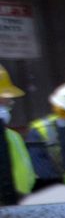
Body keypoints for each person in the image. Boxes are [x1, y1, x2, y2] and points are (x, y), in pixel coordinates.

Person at [0, 65, 36, 203]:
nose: (10, 102)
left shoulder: (12, 136)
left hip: (20, 210)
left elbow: (29, 181)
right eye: (3, 98)